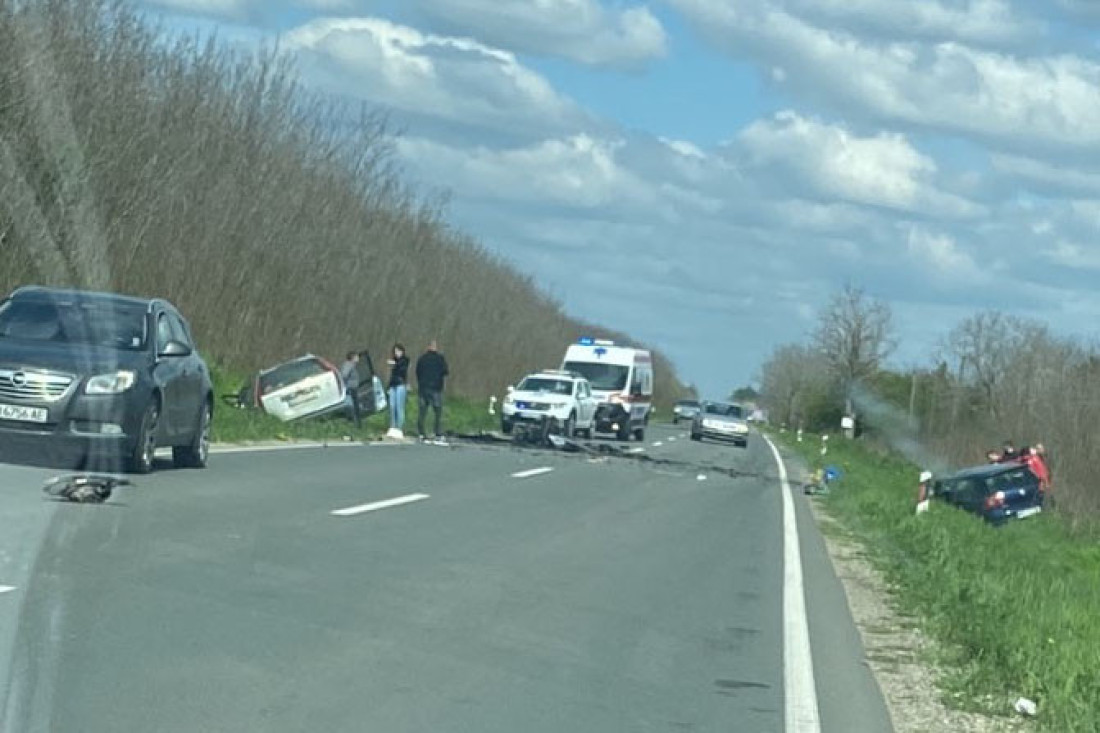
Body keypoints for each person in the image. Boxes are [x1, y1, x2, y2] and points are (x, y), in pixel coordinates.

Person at [416, 340, 449, 442]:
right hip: (436, 388)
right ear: (435, 347)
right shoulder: (440, 359)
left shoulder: (422, 359)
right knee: (437, 411)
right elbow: (445, 371)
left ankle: (421, 432)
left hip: (423, 387)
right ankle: (437, 431)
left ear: (428, 347)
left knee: (422, 411)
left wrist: (421, 381)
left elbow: (418, 372)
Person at [387, 343, 410, 435]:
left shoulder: (405, 360)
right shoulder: (394, 360)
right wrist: (388, 386)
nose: (396, 353)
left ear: (402, 351)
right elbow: (392, 375)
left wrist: (395, 364)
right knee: (392, 406)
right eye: (395, 351)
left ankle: (399, 428)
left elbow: (402, 370)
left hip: (401, 384)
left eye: (398, 351)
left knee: (399, 407)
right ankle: (392, 426)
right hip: (393, 384)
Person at [340, 351, 361, 429]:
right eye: (357, 356)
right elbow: (344, 375)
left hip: (353, 388)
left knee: (355, 407)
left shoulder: (352, 365)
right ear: (353, 357)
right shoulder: (348, 365)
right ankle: (354, 424)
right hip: (350, 389)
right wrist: (347, 385)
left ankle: (357, 424)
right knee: (352, 407)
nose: (358, 358)